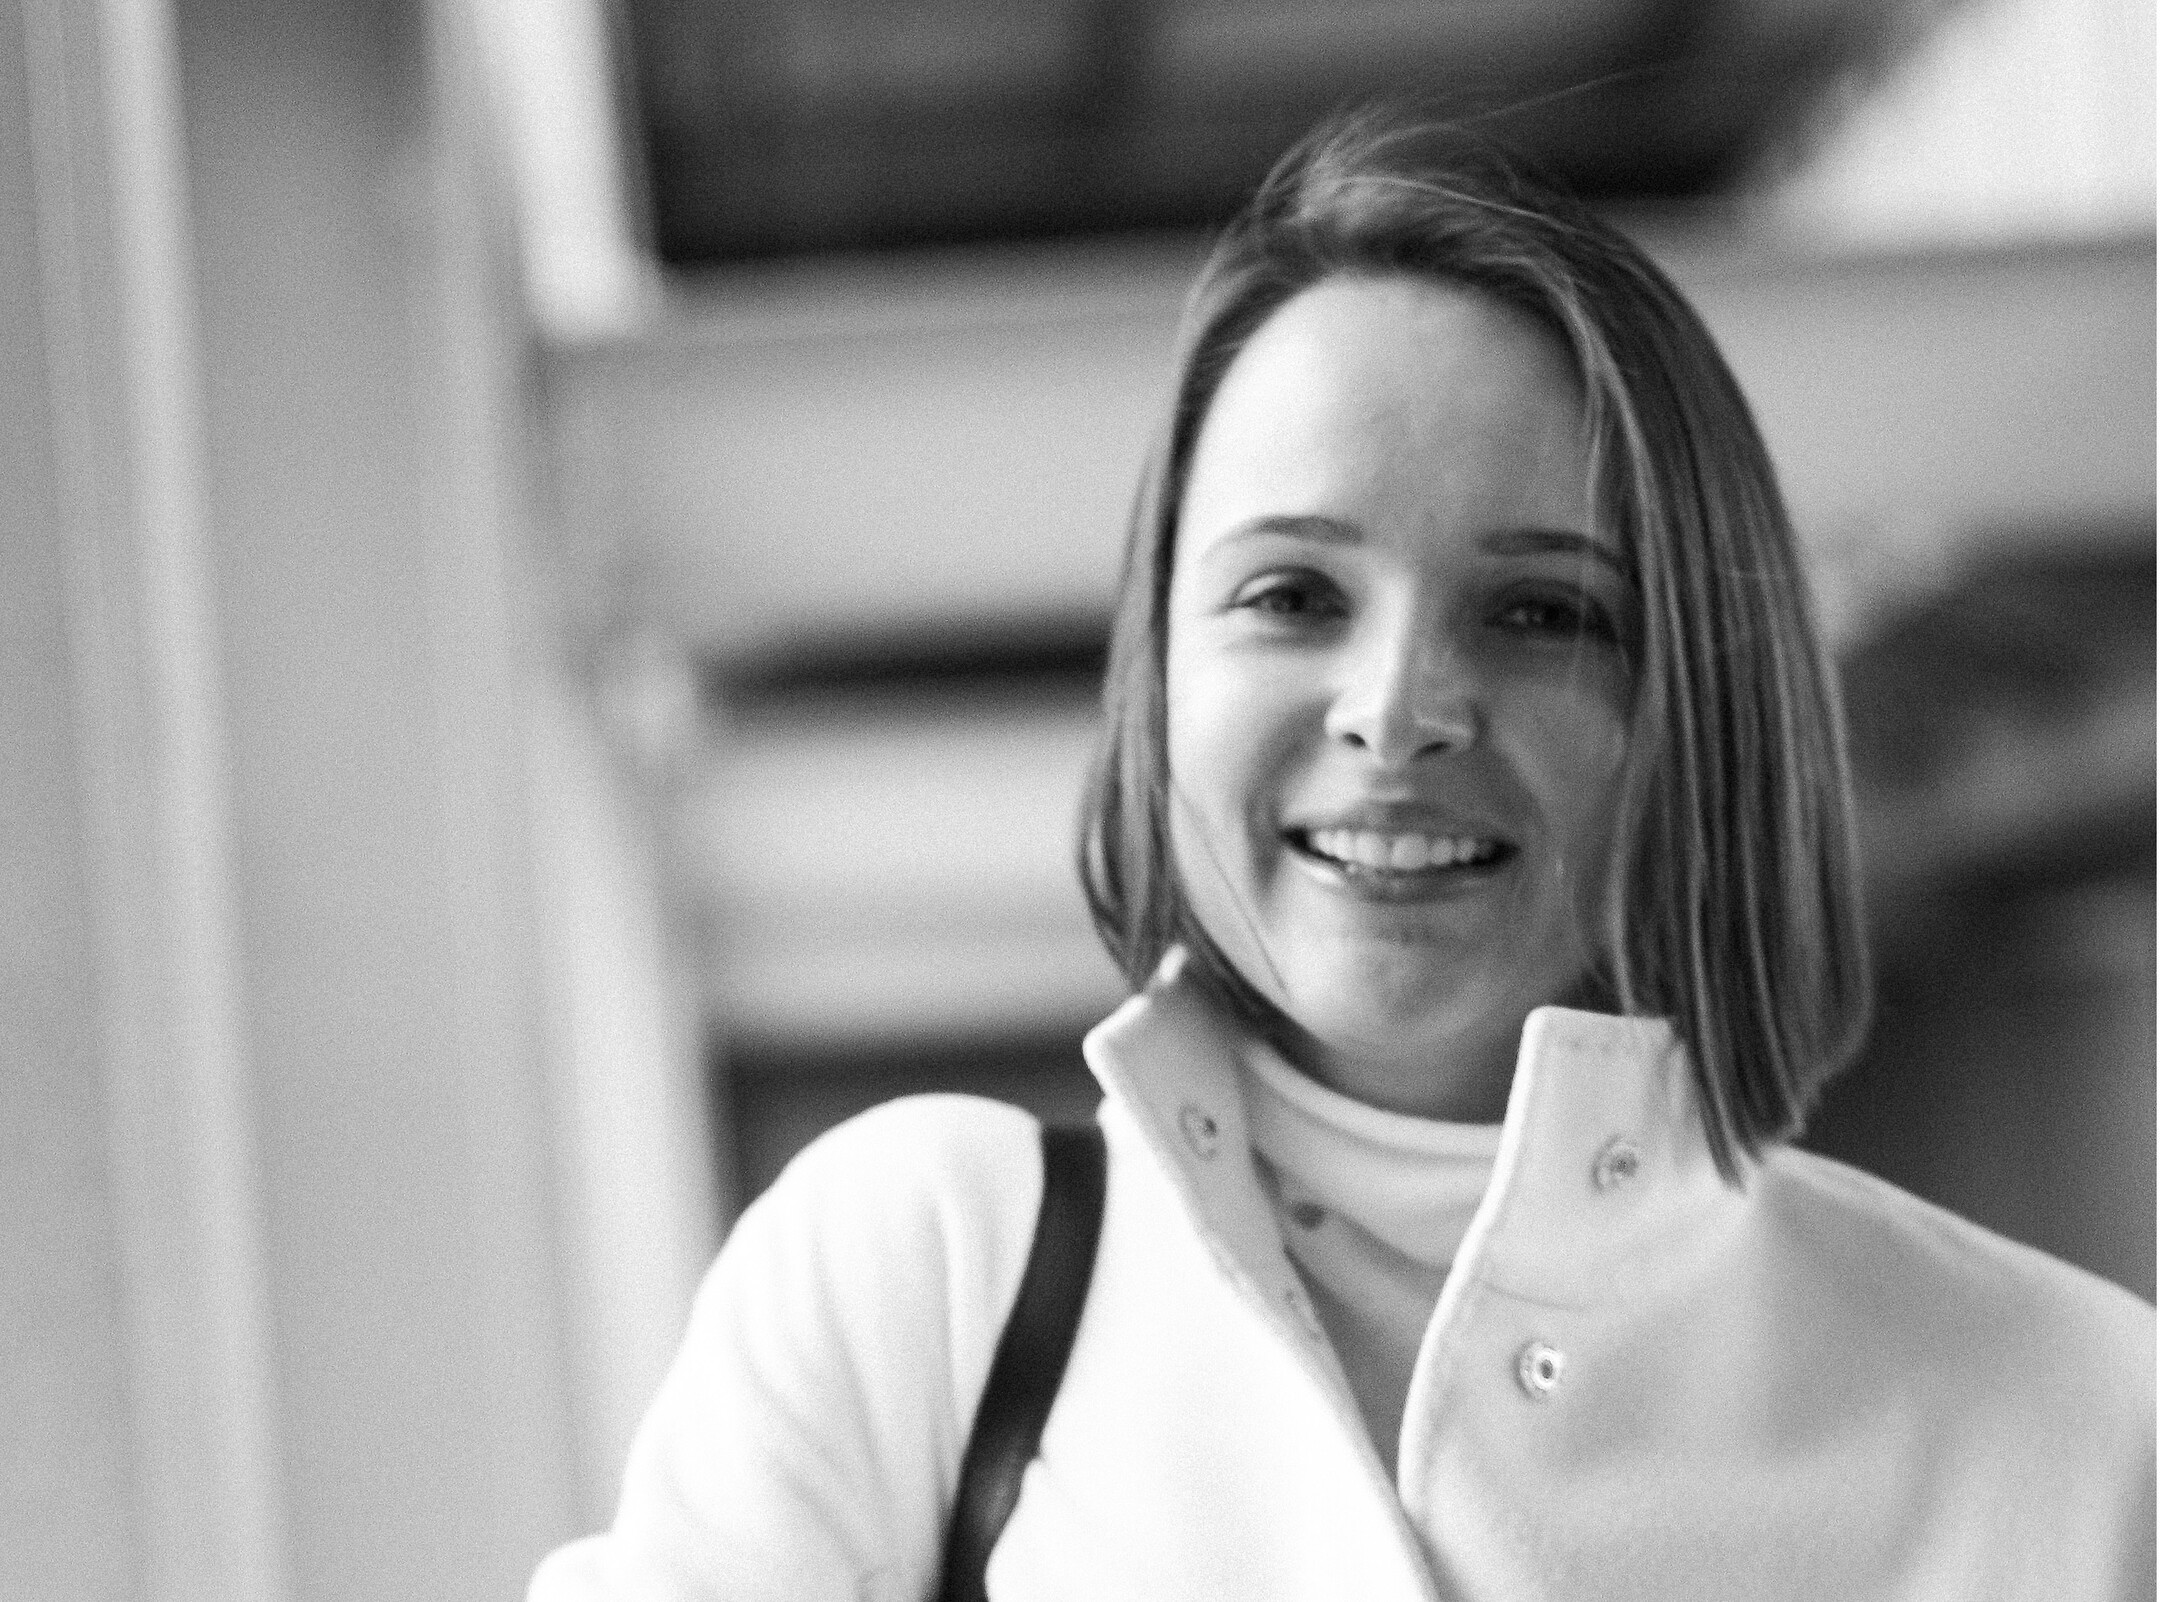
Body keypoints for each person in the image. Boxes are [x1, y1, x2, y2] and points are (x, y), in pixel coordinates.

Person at [530, 112, 2154, 1602]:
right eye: (1292, 596)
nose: (1397, 709)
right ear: (1159, 676)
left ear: (1701, 708)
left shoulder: (2082, 1427)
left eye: (1543, 611)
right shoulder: (927, 1277)